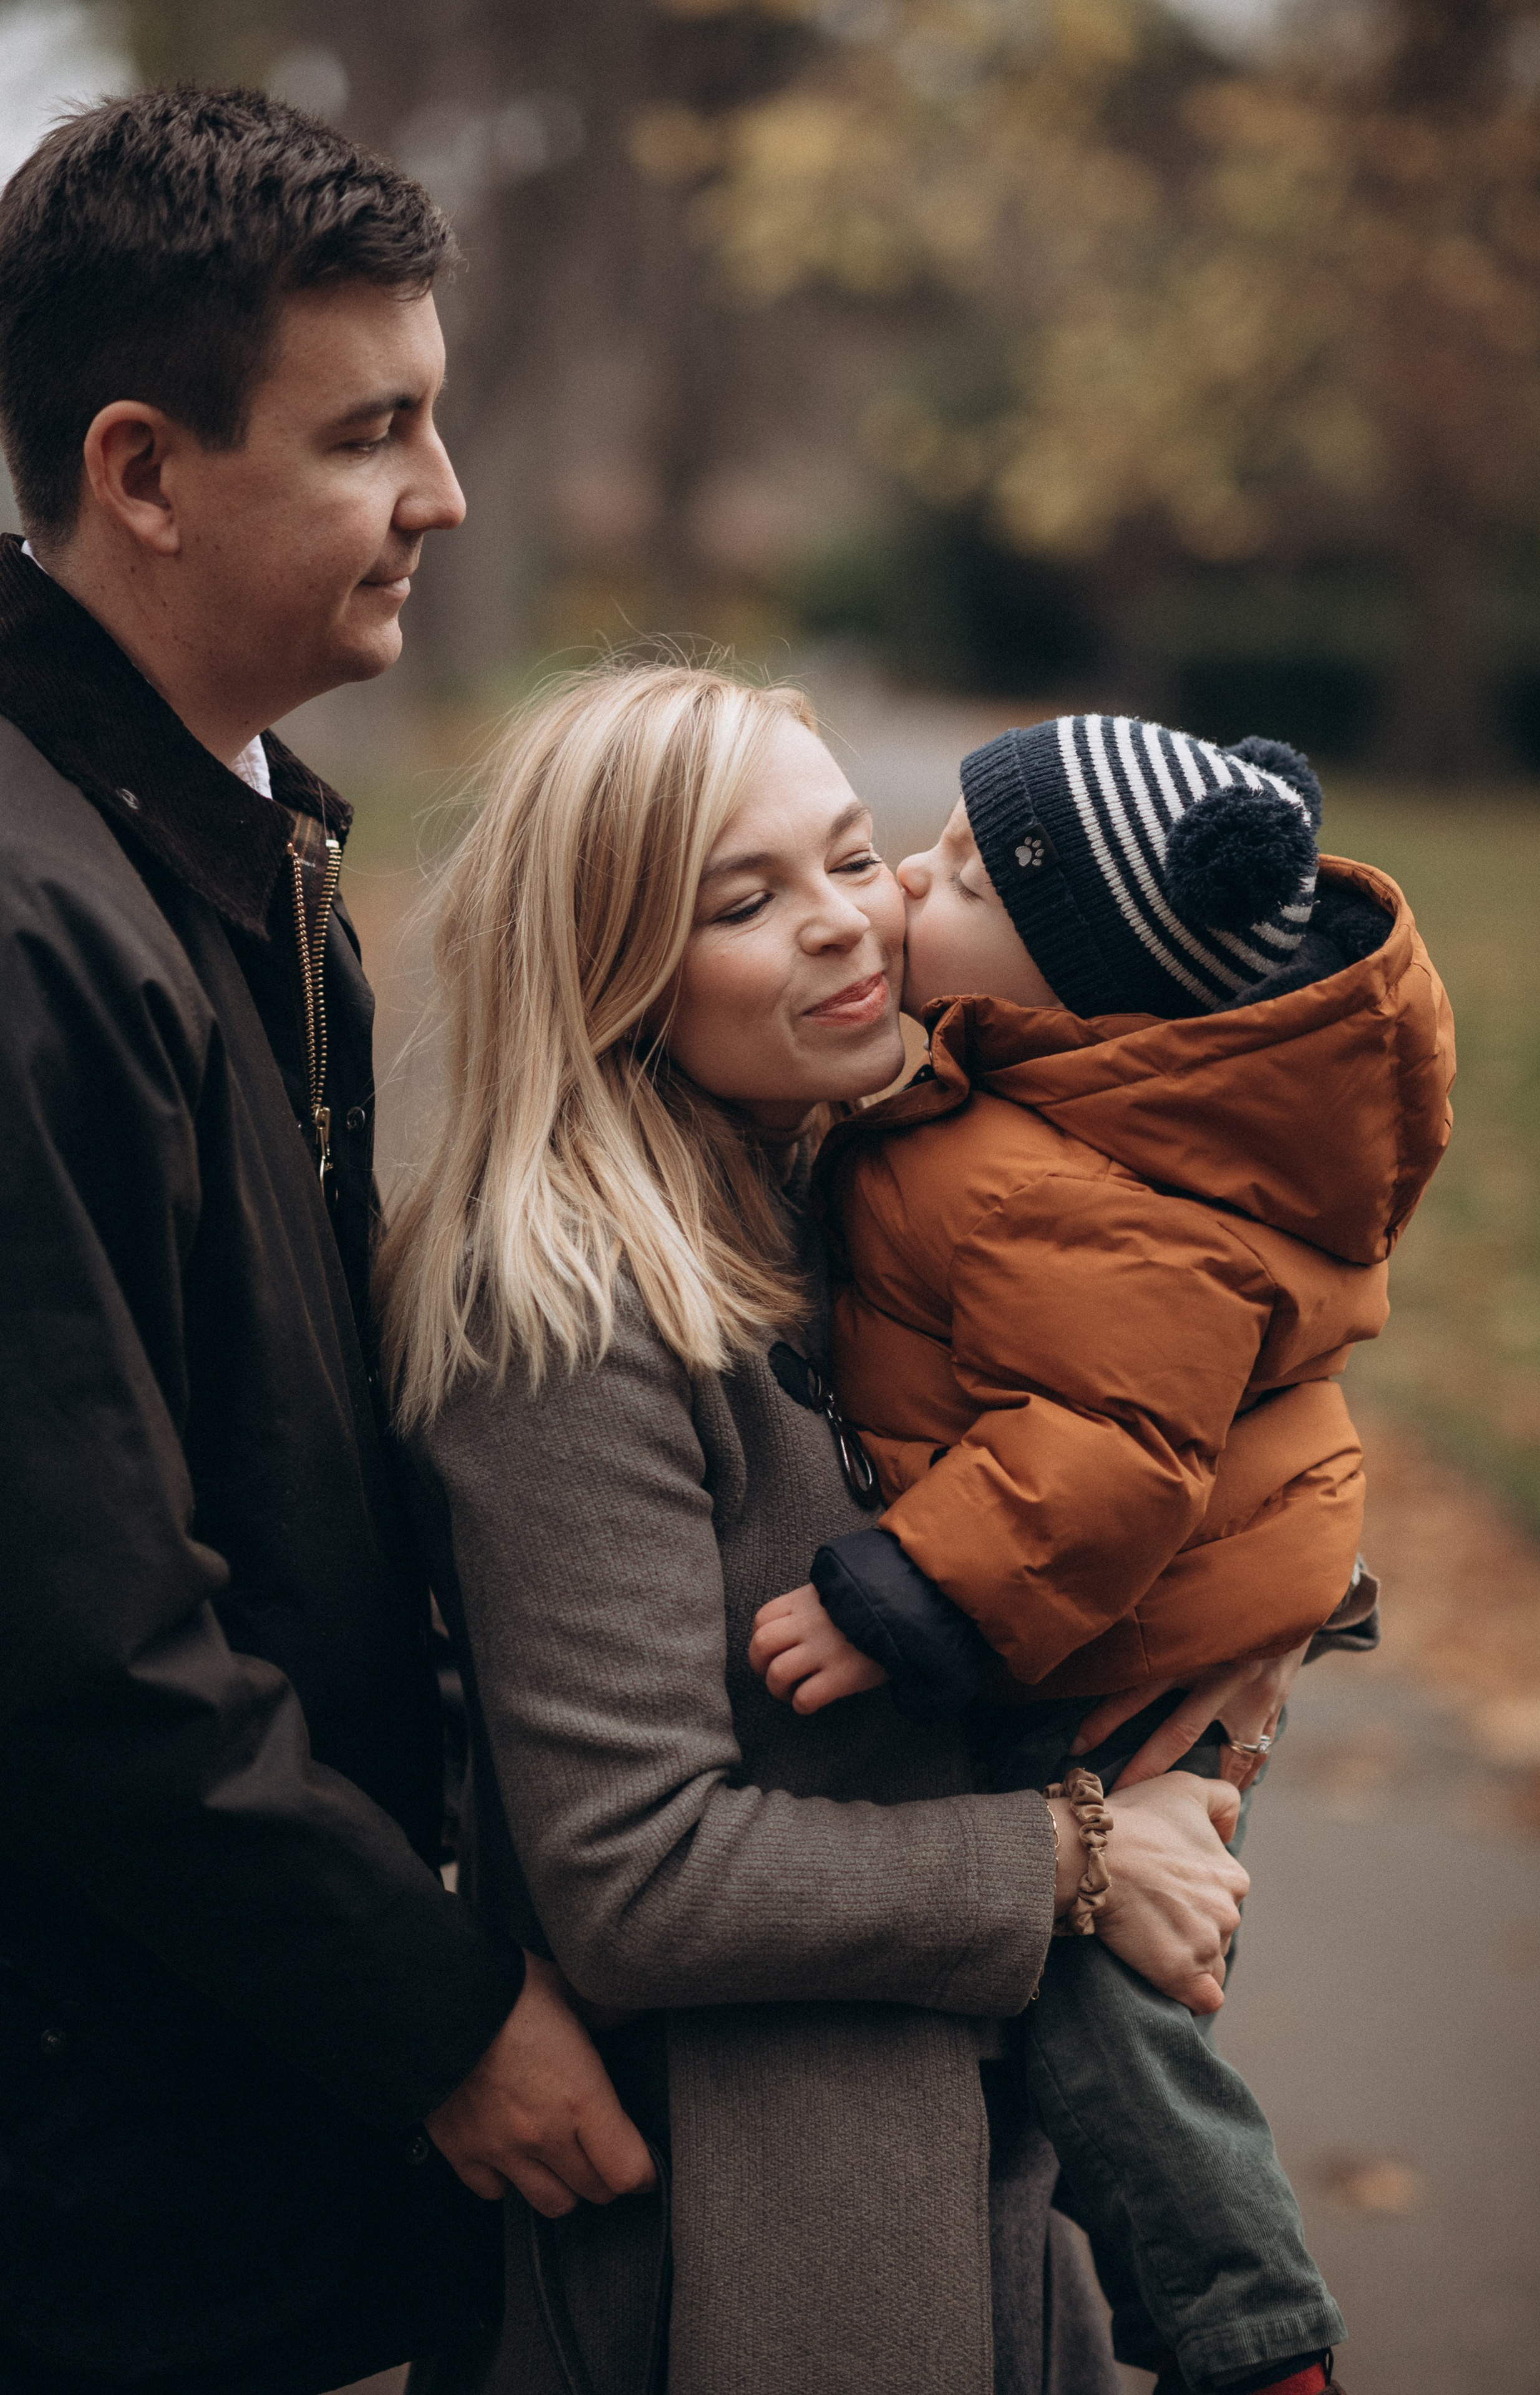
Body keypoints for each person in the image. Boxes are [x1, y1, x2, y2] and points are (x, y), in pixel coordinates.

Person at [379, 662, 1259, 2395]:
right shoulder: (559, 1314)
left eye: (854, 859)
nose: (851, 926)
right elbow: (634, 1872)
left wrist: (1275, 1618)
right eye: (749, 900)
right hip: (752, 2234)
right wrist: (1074, 1862)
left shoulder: (860, 1193)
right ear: (617, 966)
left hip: (972, 2167)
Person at [0, 89, 651, 2395]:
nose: (444, 499)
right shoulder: (32, 926)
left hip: (233, 2105)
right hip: (106, 2190)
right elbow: (81, 1646)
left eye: (439, 420)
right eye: (374, 433)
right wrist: (446, 2017)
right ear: (142, 470)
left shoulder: (226, 841)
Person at [747, 714, 1456, 2395]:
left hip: (1122, 1642)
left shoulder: (1080, 1189)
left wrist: (905, 1596)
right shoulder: (1047, 1092)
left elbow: (1107, 1461)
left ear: (1088, 978)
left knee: (1103, 2001)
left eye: (965, 877)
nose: (911, 883)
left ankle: (1248, 2332)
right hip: (1134, 1615)